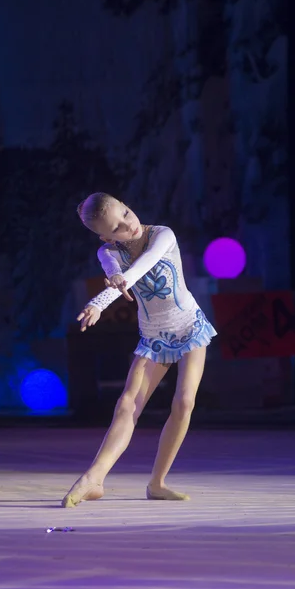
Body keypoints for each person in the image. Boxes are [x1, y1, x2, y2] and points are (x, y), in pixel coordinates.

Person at [62, 192, 217, 507]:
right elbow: (113, 270)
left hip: (189, 325)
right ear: (105, 236)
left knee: (184, 402)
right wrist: (114, 280)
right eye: (116, 228)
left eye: (126, 214)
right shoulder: (107, 252)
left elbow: (140, 269)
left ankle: (157, 483)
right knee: (127, 405)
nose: (127, 227)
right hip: (154, 335)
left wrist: (100, 301)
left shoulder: (162, 235)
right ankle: (93, 479)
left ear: (126, 204)